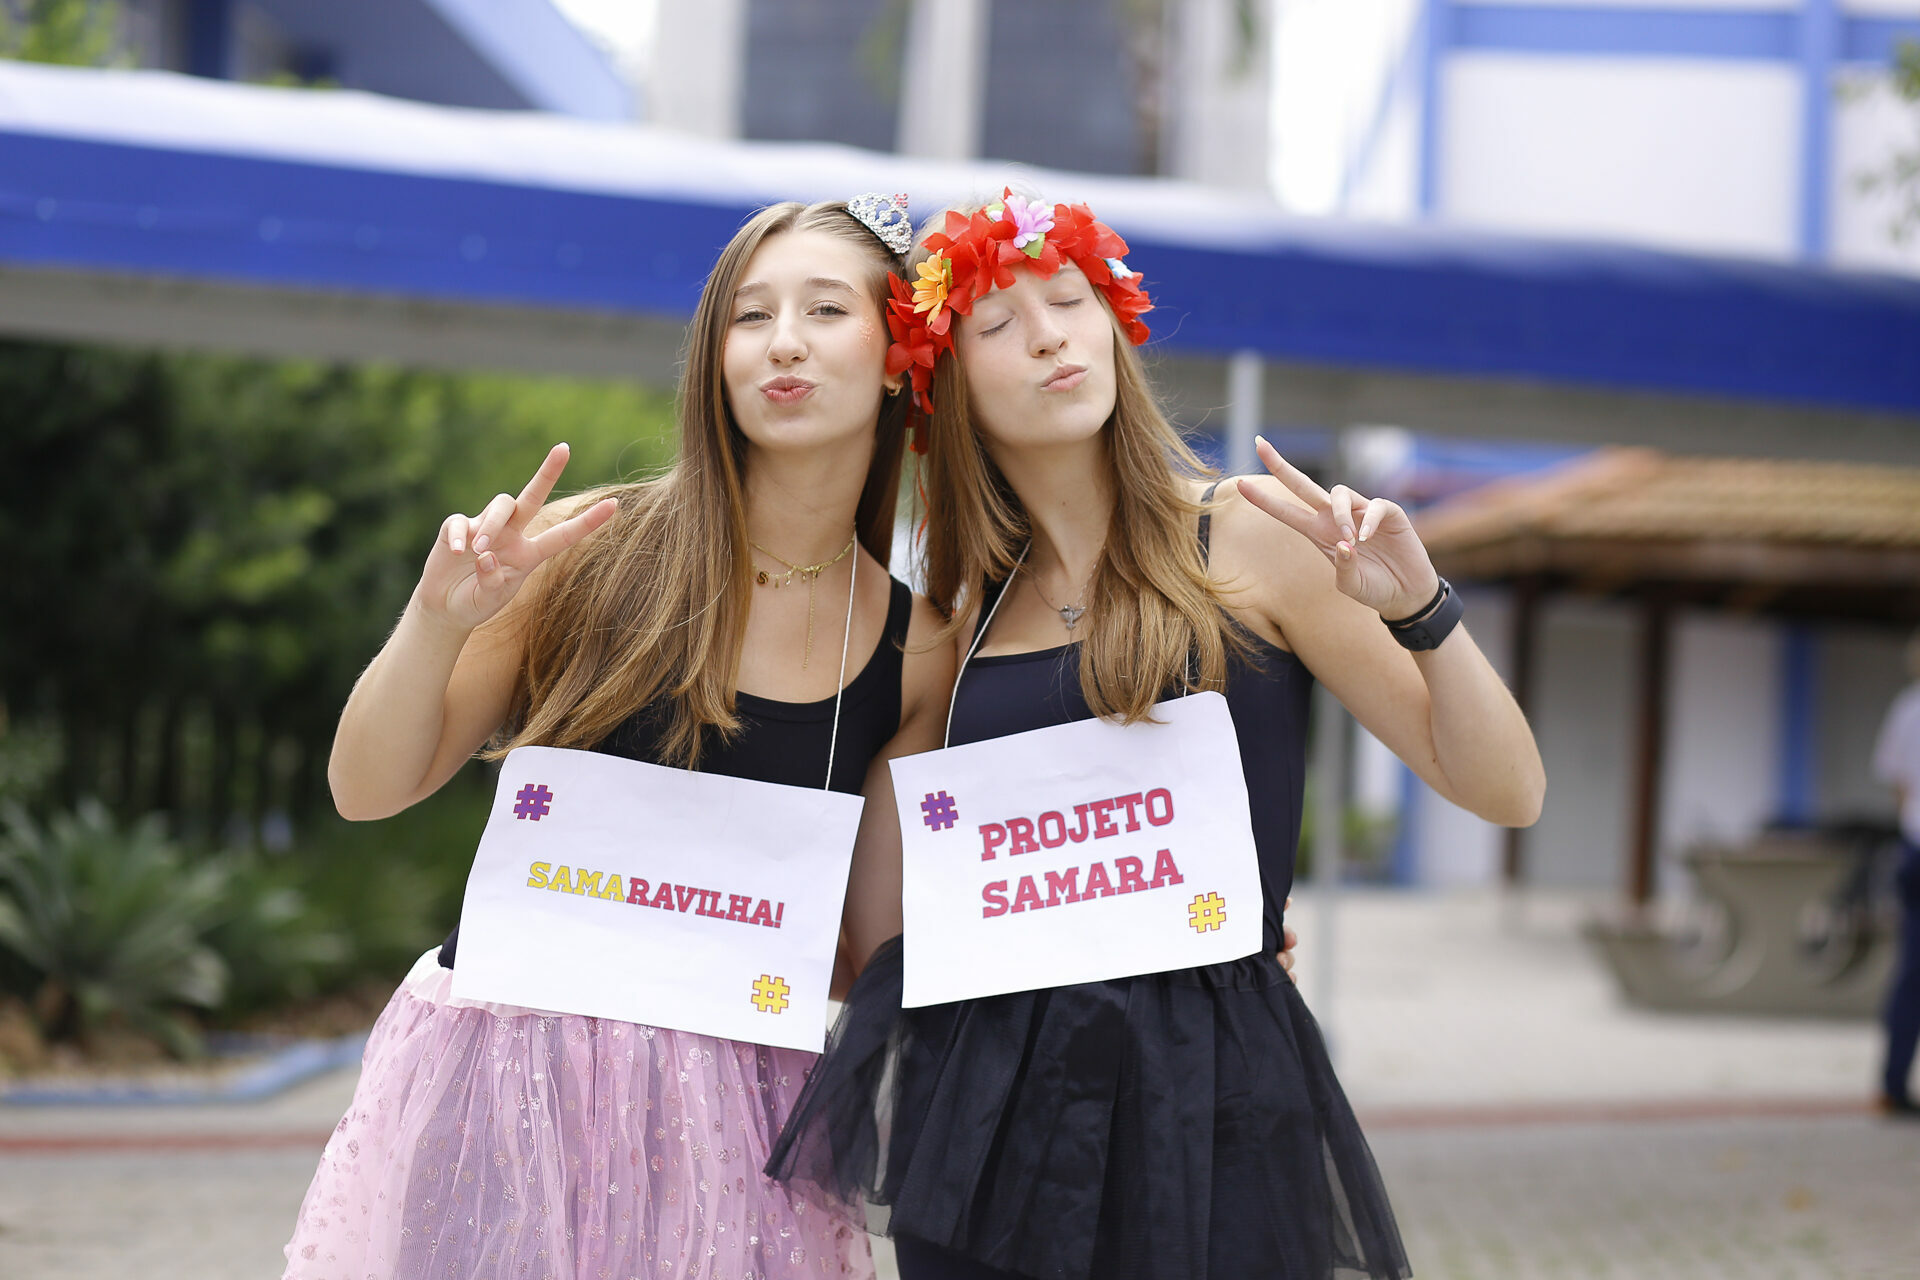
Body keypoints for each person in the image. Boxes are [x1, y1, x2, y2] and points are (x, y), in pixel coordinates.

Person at [770, 191, 1546, 1280]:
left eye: (1070, 300)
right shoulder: (959, 614)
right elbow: (894, 919)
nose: (1049, 335)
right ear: (947, 382)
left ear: (1112, 323)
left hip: (1211, 1088)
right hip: (988, 1105)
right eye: (998, 323)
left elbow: (1507, 789)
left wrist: (1421, 608)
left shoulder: (1249, 536)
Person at [281, 196, 958, 1280]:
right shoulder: (584, 550)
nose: (783, 341)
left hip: (738, 1120)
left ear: (896, 358)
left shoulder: (916, 645)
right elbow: (365, 787)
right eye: (750, 316)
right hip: (508, 1075)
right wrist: (437, 617)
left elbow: (867, 954)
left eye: (826, 309)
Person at [1872, 627, 1920, 1118]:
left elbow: (1899, 786)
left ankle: (1893, 1083)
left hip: (1915, 847)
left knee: (1911, 971)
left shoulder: (1908, 709)